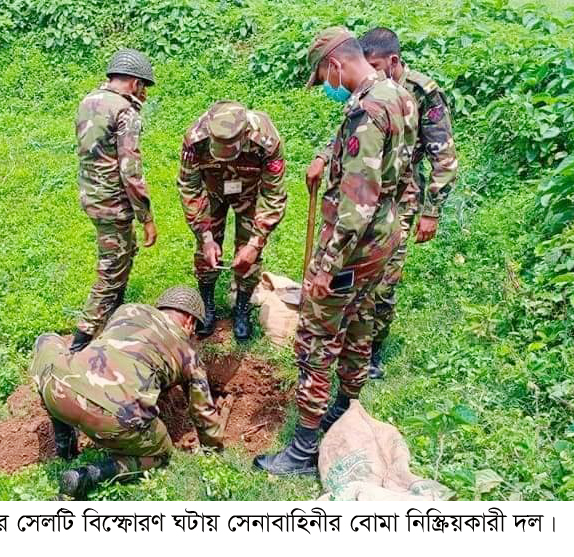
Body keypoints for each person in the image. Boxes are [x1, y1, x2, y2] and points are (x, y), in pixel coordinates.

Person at [253, 27, 418, 475]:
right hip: (384, 239)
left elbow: (357, 202)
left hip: (353, 246)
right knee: (360, 326)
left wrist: (326, 265)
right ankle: (346, 411)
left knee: (315, 341)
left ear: (334, 65)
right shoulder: (398, 95)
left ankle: (304, 451)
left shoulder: (366, 111)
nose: (327, 85)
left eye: (323, 76)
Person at [29, 286, 225, 499]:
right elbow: (203, 412)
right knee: (160, 453)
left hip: (59, 390)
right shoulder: (189, 356)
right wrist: (213, 452)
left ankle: (64, 442)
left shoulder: (127, 310)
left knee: (46, 340)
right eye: (194, 328)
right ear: (189, 320)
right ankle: (91, 475)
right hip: (115, 420)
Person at [358, 27, 459, 379]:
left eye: (375, 64)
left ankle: (373, 352)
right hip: (364, 194)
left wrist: (431, 212)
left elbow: (444, 158)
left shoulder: (422, 93)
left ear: (394, 61)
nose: (369, 71)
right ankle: (351, 339)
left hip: (403, 198)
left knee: (385, 278)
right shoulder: (368, 87)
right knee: (357, 269)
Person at [70, 48, 158, 353]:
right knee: (111, 267)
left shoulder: (88, 101)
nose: (144, 93)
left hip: (90, 195)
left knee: (124, 249)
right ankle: (82, 338)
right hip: (113, 202)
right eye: (144, 86)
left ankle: (115, 314)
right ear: (134, 83)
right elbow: (130, 171)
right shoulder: (125, 112)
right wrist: (146, 217)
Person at [177, 100, 287, 342]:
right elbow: (189, 188)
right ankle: (207, 304)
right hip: (212, 192)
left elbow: (274, 194)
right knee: (206, 252)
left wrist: (255, 244)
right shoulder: (195, 139)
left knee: (249, 257)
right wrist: (206, 238)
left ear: (245, 135)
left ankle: (242, 308)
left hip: (250, 193)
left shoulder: (266, 140)